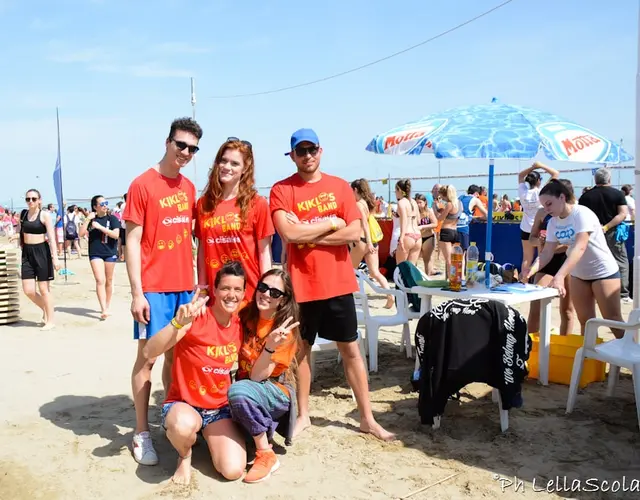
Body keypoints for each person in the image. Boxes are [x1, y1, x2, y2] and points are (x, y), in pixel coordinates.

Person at [270, 128, 394, 441]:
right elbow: (290, 235)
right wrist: (331, 223)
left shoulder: (339, 187)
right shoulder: (282, 189)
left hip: (338, 283)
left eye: (312, 150)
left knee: (351, 349)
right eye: (301, 151)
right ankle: (304, 416)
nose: (307, 156)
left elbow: (355, 234)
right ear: (293, 155)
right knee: (301, 353)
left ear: (321, 151)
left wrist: (309, 231)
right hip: (301, 284)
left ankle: (367, 418)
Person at [123, 117, 202, 466]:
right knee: (148, 358)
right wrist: (137, 293)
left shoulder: (188, 188)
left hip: (184, 286)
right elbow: (133, 240)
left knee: (177, 357)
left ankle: (169, 418)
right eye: (180, 144)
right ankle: (141, 432)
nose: (185, 152)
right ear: (168, 142)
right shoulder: (142, 184)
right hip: (154, 287)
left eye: (193, 148)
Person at [143, 261, 247, 485]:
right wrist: (178, 324)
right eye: (225, 288)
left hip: (218, 408)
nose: (231, 295)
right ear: (215, 291)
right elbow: (149, 350)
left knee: (233, 470)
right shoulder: (195, 317)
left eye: (237, 289)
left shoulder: (240, 324)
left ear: (244, 293)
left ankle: (206, 436)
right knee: (182, 426)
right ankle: (184, 455)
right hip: (185, 403)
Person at [521, 179, 623, 338]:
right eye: (544, 205)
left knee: (613, 320)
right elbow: (547, 253)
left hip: (603, 271)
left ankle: (632, 355)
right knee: (586, 322)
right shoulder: (553, 223)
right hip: (579, 275)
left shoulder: (581, 213)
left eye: (549, 204)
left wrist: (559, 276)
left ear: (562, 197)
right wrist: (530, 271)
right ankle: (590, 359)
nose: (546, 209)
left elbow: (580, 246)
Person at [228, 269, 301, 483]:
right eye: (262, 287)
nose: (266, 294)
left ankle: (265, 453)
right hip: (247, 385)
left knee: (238, 392)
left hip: (274, 389)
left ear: (283, 300)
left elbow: (259, 377)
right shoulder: (246, 313)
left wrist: (269, 347)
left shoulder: (284, 331)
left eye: (275, 293)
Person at [196, 138, 273, 301]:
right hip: (215, 295)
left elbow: (264, 252)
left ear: (245, 168)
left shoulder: (257, 203)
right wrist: (202, 289)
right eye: (223, 161)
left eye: (234, 163)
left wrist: (266, 290)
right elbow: (202, 250)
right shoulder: (203, 204)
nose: (227, 167)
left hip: (248, 294)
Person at [526, 180, 576, 335]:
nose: (548, 207)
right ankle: (531, 346)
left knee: (567, 310)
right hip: (546, 261)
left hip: (566, 261)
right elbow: (531, 238)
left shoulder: (575, 213)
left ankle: (564, 342)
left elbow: (573, 244)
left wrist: (553, 246)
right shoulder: (543, 213)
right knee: (536, 306)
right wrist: (541, 242)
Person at [579, 169, 631, 303]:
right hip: (612, 232)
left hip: (591, 234)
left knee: (595, 261)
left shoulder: (586, 196)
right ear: (609, 179)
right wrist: (607, 226)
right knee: (620, 261)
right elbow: (622, 214)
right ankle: (622, 294)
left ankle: (596, 293)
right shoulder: (618, 194)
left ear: (595, 180)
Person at [13, 189, 59, 330]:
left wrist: (55, 258)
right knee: (28, 290)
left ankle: (50, 320)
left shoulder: (44, 215)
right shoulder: (23, 214)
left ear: (39, 200)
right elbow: (21, 231)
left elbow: (51, 237)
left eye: (33, 199)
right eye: (28, 199)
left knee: (44, 288)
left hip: (41, 252)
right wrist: (15, 237)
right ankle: (46, 309)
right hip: (27, 252)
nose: (30, 202)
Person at [349, 178, 394, 309]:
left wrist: (367, 242)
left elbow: (364, 224)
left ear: (356, 190)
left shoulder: (359, 204)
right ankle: (390, 295)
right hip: (373, 241)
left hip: (363, 241)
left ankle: (352, 299)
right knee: (375, 272)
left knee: (350, 271)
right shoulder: (369, 203)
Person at [79, 195, 121, 319]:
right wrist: (87, 219)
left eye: (106, 203)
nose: (105, 206)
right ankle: (103, 308)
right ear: (95, 207)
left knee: (109, 280)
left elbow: (115, 235)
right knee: (99, 280)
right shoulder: (91, 219)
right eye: (102, 204)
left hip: (110, 251)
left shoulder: (112, 218)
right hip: (95, 252)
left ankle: (107, 305)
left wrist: (101, 228)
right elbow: (80, 234)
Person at [518, 161, 560, 277]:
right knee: (541, 257)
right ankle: (537, 278)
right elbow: (555, 174)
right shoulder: (542, 192)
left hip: (525, 227)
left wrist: (531, 168)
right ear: (538, 181)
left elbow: (520, 176)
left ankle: (524, 281)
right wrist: (540, 166)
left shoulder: (523, 191)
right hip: (539, 228)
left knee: (526, 257)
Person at [435, 185, 461, 276]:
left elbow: (440, 218)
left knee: (448, 260)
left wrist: (437, 210)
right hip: (455, 231)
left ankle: (451, 280)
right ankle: (456, 278)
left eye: (442, 196)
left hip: (446, 231)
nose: (442, 198)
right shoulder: (459, 203)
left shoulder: (449, 204)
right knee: (455, 259)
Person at [395, 179, 421, 265]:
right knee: (411, 268)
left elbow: (404, 220)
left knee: (401, 267)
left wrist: (401, 238)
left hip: (407, 235)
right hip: (417, 235)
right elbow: (418, 220)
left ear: (399, 190)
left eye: (396, 190)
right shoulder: (413, 202)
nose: (395, 192)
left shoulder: (401, 203)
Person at [457, 185, 487, 253]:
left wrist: (473, 218)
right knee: (463, 253)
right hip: (463, 228)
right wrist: (480, 218)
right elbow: (487, 215)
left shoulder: (460, 197)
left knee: (455, 252)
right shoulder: (475, 199)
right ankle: (463, 264)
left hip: (453, 226)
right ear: (476, 193)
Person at [415, 193, 437, 275]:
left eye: (420, 202)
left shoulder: (429, 211)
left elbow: (435, 223)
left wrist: (423, 227)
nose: (418, 204)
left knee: (426, 259)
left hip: (428, 237)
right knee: (414, 258)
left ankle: (428, 277)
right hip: (417, 237)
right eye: (417, 202)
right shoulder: (415, 212)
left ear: (425, 203)